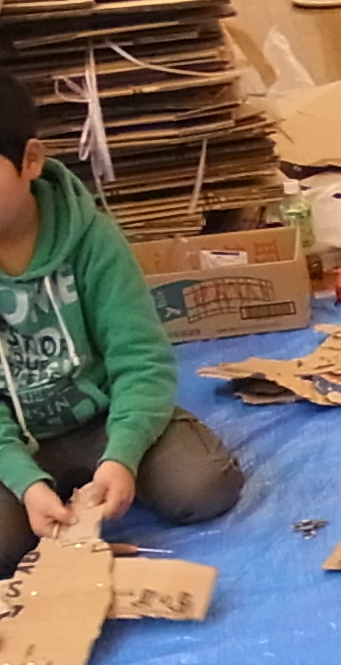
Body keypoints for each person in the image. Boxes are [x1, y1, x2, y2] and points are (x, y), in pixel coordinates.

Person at [0, 71, 243, 573]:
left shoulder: (92, 240)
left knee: (204, 486)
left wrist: (122, 455)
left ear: (31, 160)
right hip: (14, 439)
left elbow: (141, 359)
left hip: (103, 419)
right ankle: (44, 492)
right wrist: (26, 482)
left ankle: (123, 456)